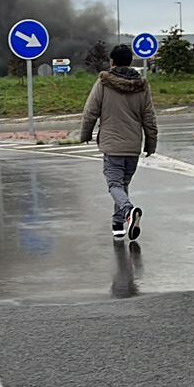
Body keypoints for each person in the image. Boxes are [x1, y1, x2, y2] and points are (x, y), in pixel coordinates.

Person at [79, 43, 158, 242]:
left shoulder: (104, 83)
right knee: (122, 185)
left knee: (114, 184)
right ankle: (118, 225)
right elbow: (149, 117)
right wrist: (151, 143)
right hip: (133, 146)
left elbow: (90, 112)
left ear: (112, 62)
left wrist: (85, 135)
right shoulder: (141, 85)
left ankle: (128, 211)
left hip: (112, 144)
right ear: (130, 61)